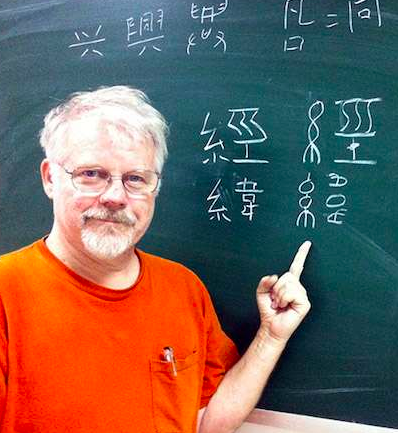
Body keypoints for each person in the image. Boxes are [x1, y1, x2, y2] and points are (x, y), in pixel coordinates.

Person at [0, 86, 312, 433]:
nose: (115, 196)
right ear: (50, 178)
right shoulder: (7, 293)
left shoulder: (183, 289)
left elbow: (206, 420)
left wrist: (271, 337)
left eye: (135, 178)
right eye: (91, 174)